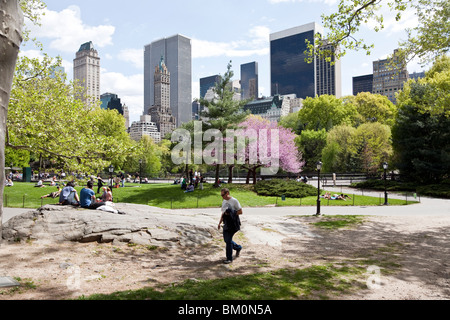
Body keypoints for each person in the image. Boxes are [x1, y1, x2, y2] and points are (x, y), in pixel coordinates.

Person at [218, 188, 243, 264]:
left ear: (227, 193)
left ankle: (229, 258)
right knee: (226, 240)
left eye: (223, 195)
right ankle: (238, 247)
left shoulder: (234, 201)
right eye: (221, 195)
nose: (222, 197)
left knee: (228, 241)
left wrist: (231, 213)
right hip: (226, 223)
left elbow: (240, 211)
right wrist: (219, 223)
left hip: (234, 224)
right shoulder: (224, 201)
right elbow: (223, 213)